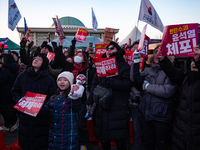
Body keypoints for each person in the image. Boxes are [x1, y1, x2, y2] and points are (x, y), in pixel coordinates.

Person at [85, 41, 132, 150]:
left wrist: (109, 82)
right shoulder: (100, 65)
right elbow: (94, 84)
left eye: (112, 48)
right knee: (103, 137)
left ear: (118, 51)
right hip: (102, 106)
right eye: (107, 48)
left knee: (119, 138)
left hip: (117, 107)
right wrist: (90, 100)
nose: (109, 50)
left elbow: (127, 85)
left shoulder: (124, 66)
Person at [131, 45, 177, 150]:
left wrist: (148, 87)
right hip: (146, 114)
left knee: (160, 145)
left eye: (161, 52)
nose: (157, 54)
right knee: (148, 143)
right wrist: (135, 63)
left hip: (162, 116)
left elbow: (167, 91)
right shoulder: (148, 70)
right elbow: (135, 79)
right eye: (156, 51)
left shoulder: (171, 71)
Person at [158, 45, 200, 150]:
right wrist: (163, 59)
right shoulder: (185, 79)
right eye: (192, 61)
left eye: (197, 61)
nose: (194, 63)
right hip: (181, 134)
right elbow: (172, 72)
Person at [11, 53, 57, 150]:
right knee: (25, 143)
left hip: (41, 118)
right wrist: (20, 101)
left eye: (39, 59)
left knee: (40, 144)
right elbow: (15, 92)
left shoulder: (50, 80)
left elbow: (52, 98)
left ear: (44, 63)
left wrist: (42, 108)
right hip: (25, 116)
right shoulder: (22, 76)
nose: (35, 60)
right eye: (35, 58)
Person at [44, 71, 83, 150]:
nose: (62, 82)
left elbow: (78, 107)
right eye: (59, 80)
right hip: (54, 137)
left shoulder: (72, 97)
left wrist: (75, 96)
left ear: (70, 82)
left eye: (65, 80)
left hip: (69, 139)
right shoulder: (53, 98)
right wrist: (32, 107)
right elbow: (45, 110)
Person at [0, 54, 19, 132]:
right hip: (10, 91)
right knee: (9, 108)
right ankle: (11, 124)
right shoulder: (13, 68)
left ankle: (9, 124)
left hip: (4, 92)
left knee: (5, 109)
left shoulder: (5, 71)